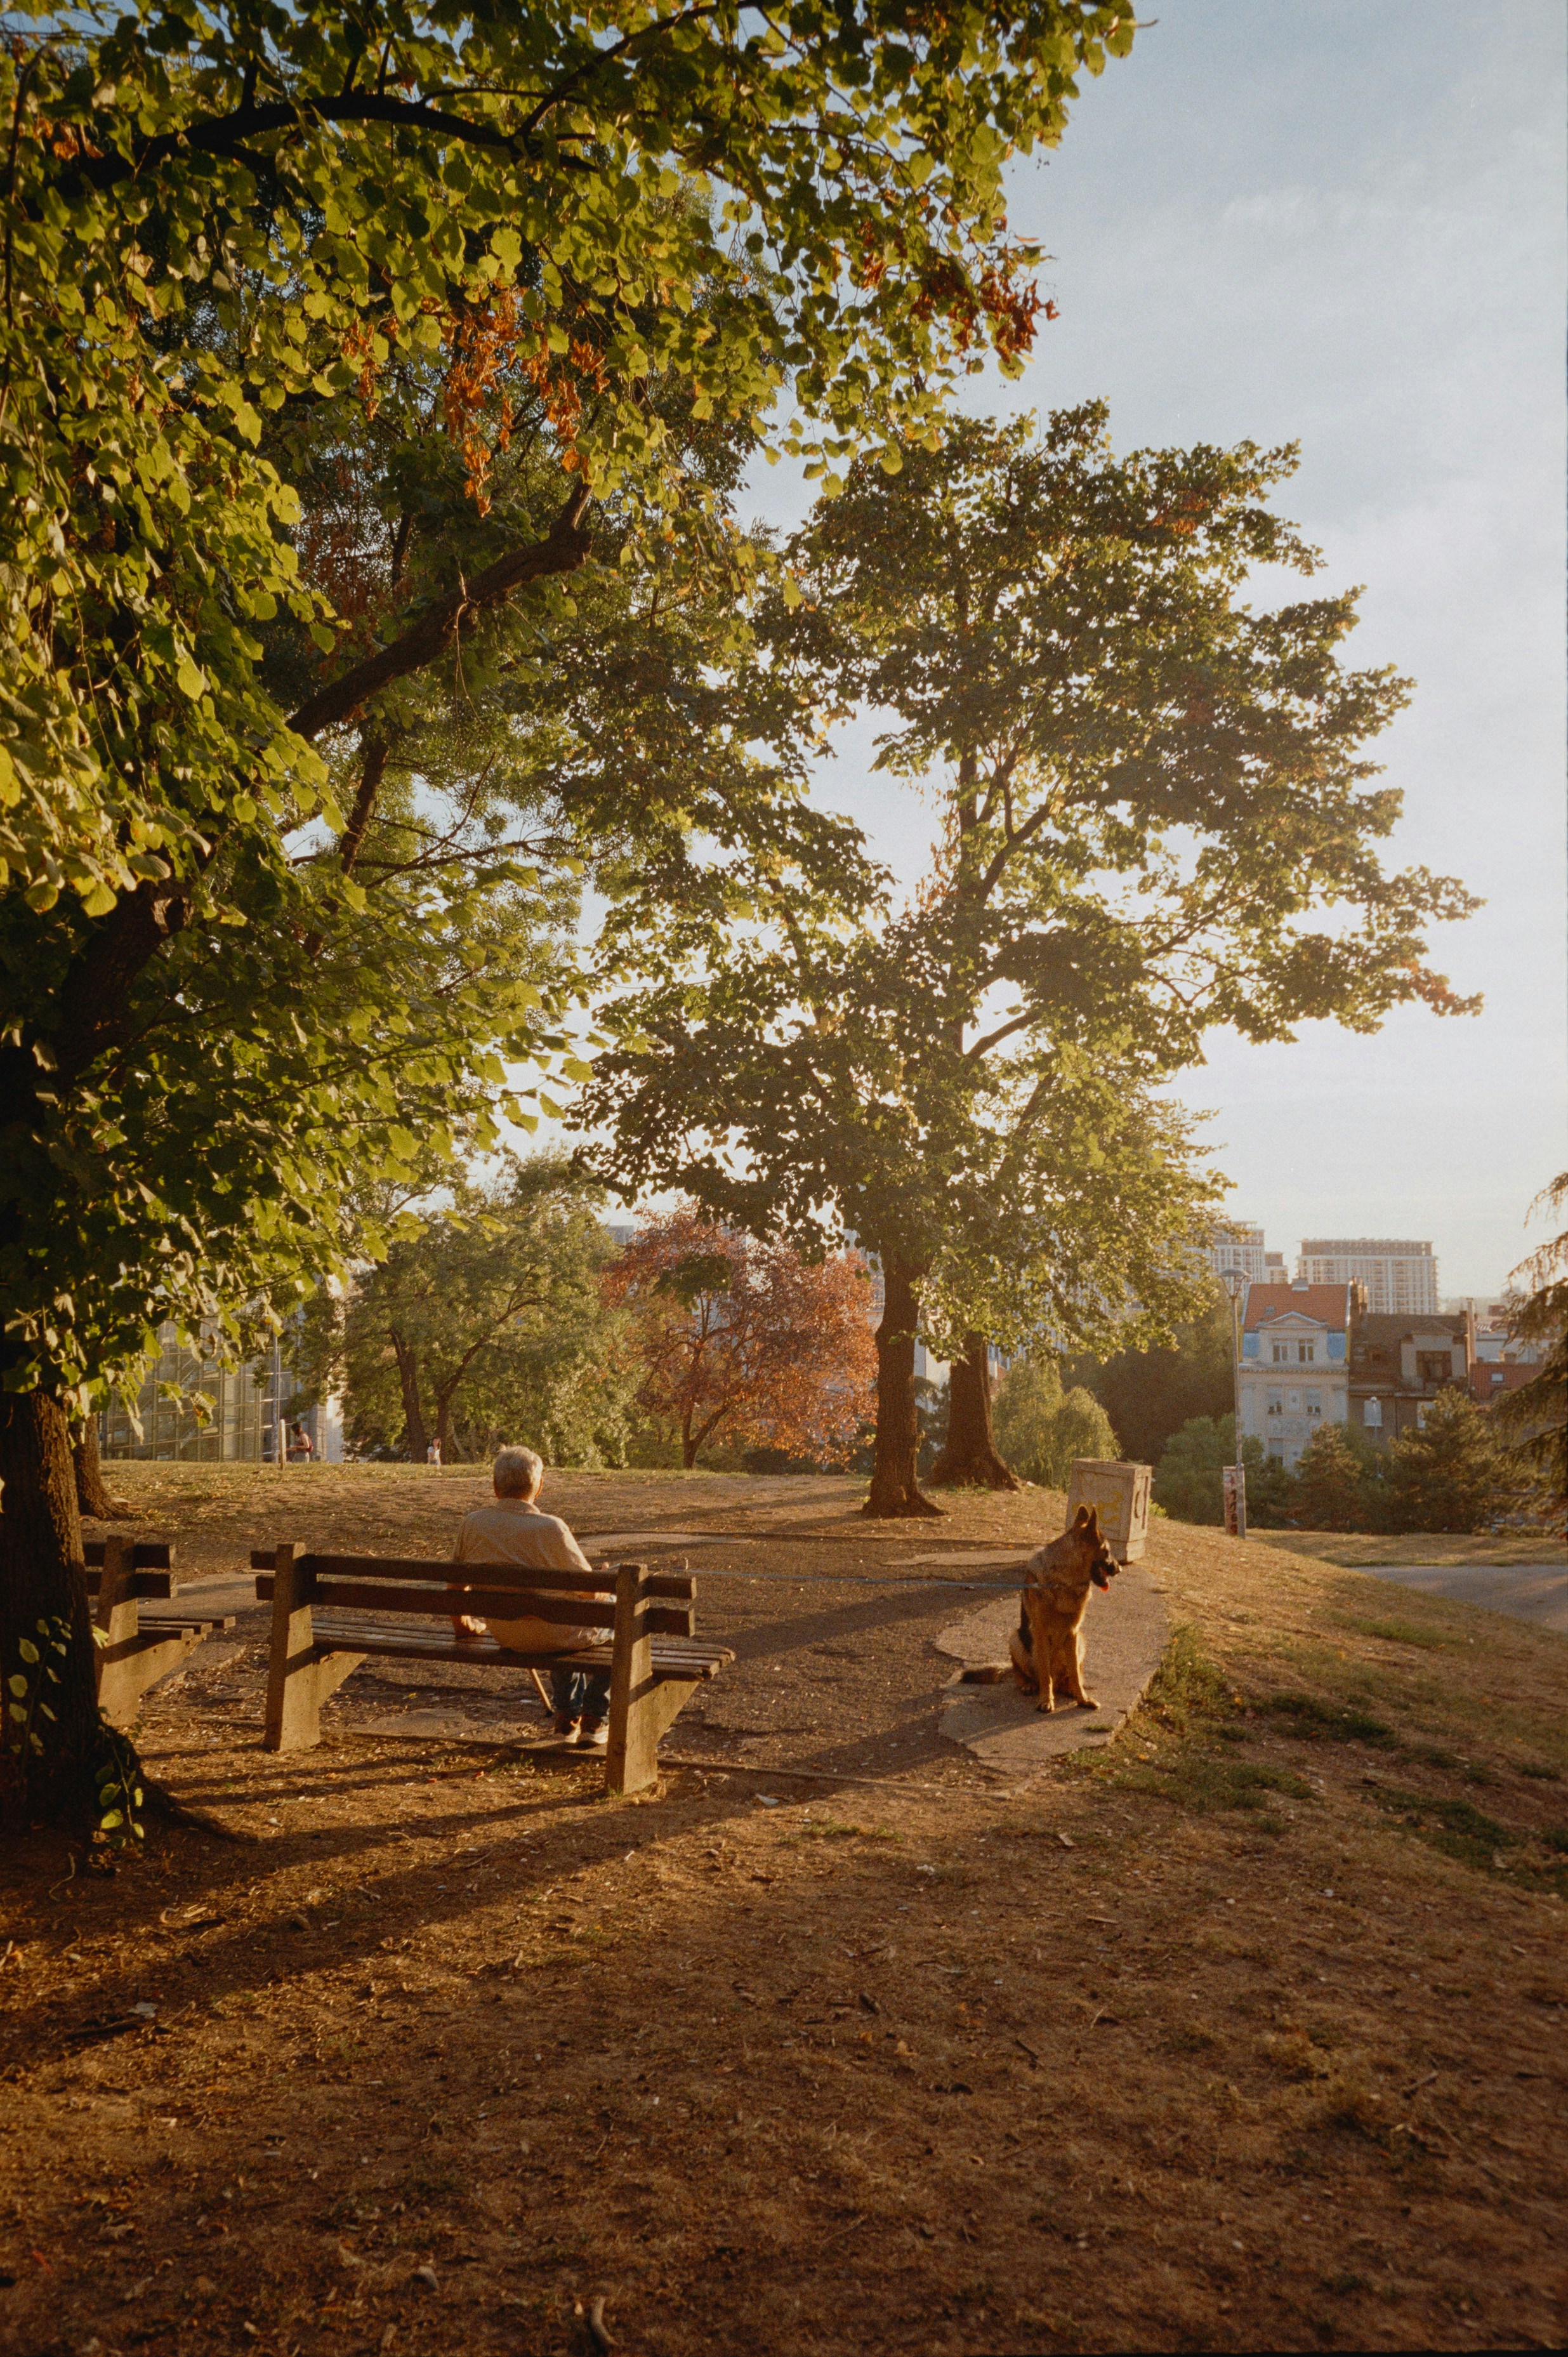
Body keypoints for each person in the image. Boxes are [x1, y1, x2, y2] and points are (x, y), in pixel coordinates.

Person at [449, 1445, 610, 1749]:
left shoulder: (473, 1524)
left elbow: (456, 1587)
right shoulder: (552, 1528)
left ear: (495, 1488)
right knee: (613, 1610)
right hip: (556, 1633)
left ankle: (566, 1717)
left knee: (562, 1614)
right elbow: (589, 1591)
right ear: (539, 1487)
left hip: (507, 1632)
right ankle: (595, 1716)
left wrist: (463, 1627)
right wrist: (604, 1579)